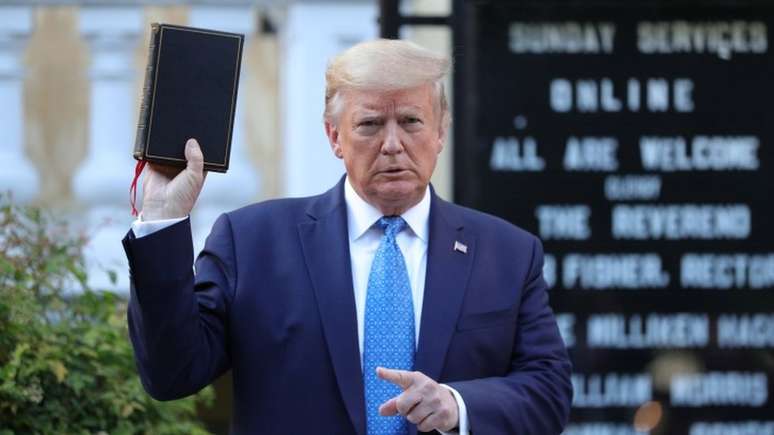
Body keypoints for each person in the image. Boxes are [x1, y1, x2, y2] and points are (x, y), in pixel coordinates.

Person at [122, 39, 572, 435]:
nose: (392, 144)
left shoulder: (508, 253)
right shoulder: (253, 241)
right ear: (334, 136)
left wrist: (457, 405)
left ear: (440, 132)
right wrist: (163, 220)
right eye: (370, 124)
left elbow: (548, 392)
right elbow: (171, 374)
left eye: (412, 122)